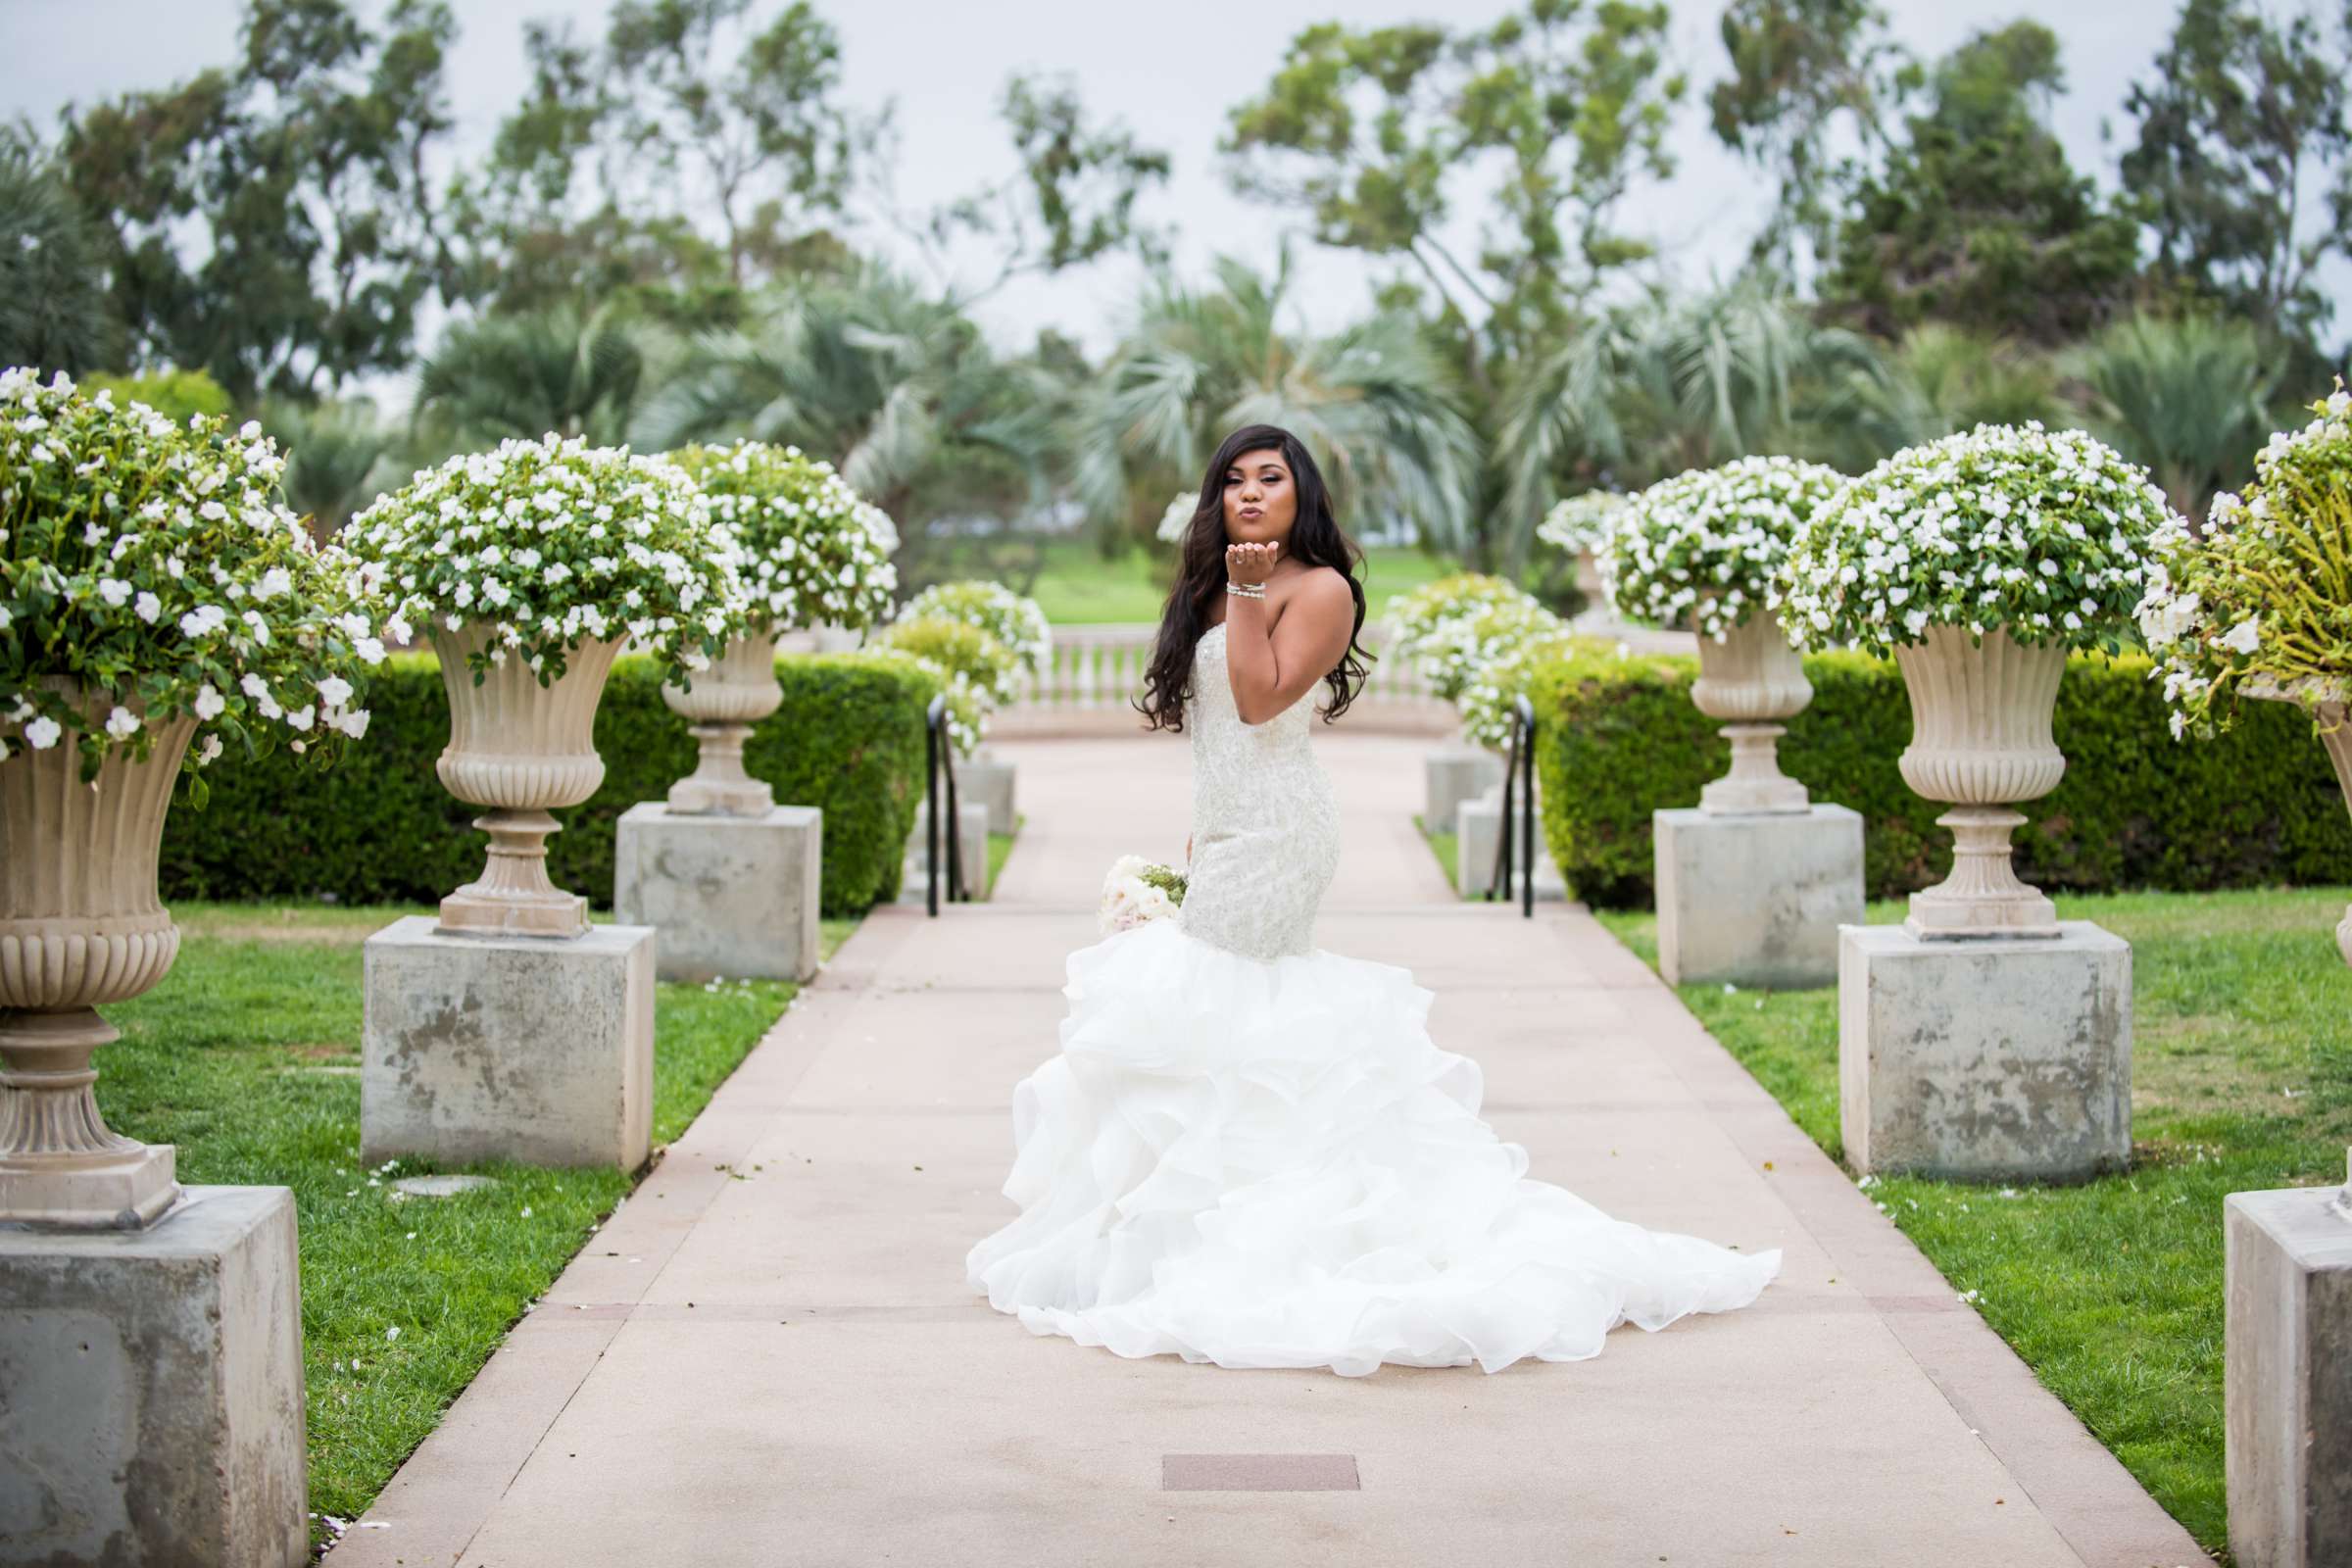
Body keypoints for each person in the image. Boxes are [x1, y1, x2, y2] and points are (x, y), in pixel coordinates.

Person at [963, 423, 1781, 1376]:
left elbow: (1265, 701)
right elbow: (1217, 728)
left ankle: (1256, 1239)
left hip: (1284, 835)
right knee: (1225, 1019)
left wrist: (1250, 587)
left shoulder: (1320, 590)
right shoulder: (1221, 585)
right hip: (1231, 829)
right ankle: (1208, 1226)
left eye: (1271, 477)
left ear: (1301, 492)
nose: (1251, 493)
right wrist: (1202, 827)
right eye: (1234, 481)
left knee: (1220, 1008)